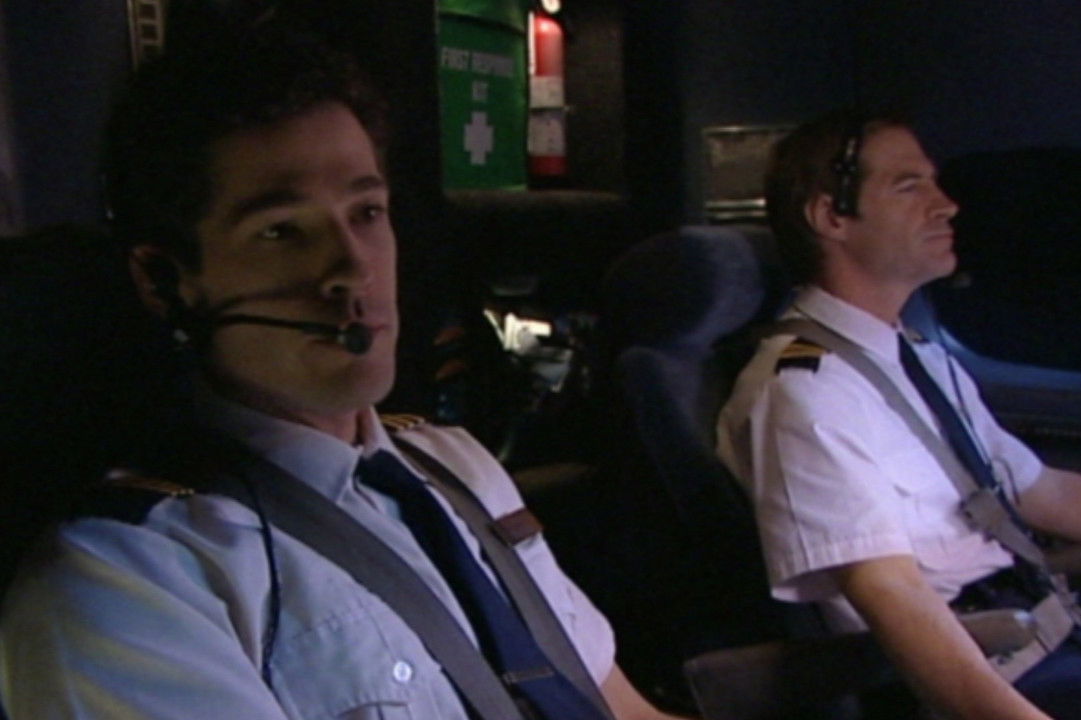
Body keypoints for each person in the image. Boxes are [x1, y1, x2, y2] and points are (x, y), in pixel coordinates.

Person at [0, 29, 685, 720]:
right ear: (164, 280)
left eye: (367, 213)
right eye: (281, 230)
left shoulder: (454, 466)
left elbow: (620, 707)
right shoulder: (131, 580)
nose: (354, 269)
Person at [717, 105, 1081, 720]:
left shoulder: (912, 354)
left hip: (1062, 633)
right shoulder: (804, 392)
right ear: (831, 216)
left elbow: (1044, 492)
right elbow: (888, 589)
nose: (946, 205)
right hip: (1006, 678)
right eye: (909, 186)